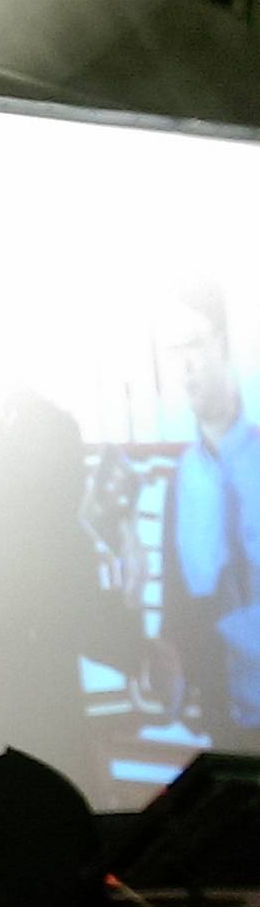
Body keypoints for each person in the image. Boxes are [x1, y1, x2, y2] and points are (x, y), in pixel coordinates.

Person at [163, 292, 260, 744]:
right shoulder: (180, 483)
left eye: (195, 345)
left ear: (224, 345)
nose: (186, 365)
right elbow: (176, 605)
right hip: (222, 725)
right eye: (175, 351)